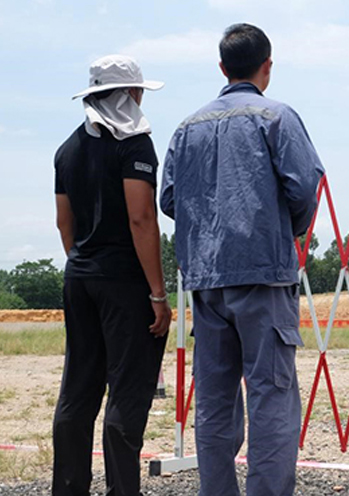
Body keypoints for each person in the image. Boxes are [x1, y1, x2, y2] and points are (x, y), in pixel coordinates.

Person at [160, 23, 324, 496]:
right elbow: (304, 186)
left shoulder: (187, 127)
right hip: (263, 277)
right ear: (266, 66)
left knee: (213, 401)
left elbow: (170, 199)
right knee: (271, 398)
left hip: (206, 281)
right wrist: (278, 229)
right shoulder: (276, 117)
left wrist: (207, 227)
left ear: (222, 67)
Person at [53, 55, 171, 496]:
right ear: (128, 94)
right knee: (127, 392)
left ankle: (68, 489)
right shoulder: (134, 143)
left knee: (77, 393)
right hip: (124, 281)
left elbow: (65, 224)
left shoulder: (67, 148)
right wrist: (157, 293)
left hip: (79, 276)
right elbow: (141, 218)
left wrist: (84, 264)